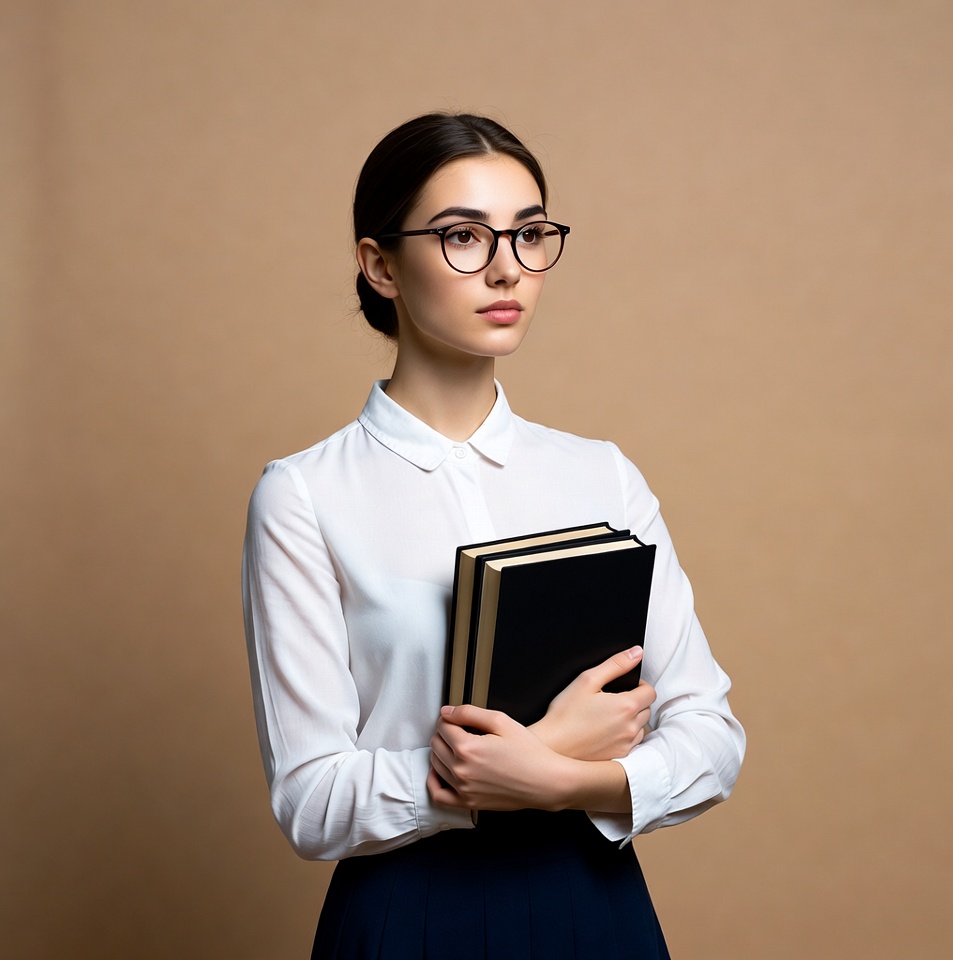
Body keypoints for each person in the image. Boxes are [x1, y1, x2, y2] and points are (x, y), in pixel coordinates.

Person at [242, 112, 745, 959]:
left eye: (530, 233)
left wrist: (556, 779)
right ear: (380, 265)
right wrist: (485, 778)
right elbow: (312, 801)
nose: (508, 267)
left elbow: (711, 737)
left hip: (595, 907)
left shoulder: (602, 475)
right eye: (463, 237)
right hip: (408, 915)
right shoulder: (304, 496)